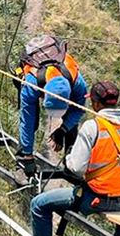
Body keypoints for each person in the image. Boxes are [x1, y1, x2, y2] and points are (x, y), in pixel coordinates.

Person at [23, 79, 120, 236]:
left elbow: (76, 168)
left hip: (94, 199)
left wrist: (71, 157)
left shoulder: (93, 127)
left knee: (39, 204)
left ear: (96, 103)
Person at [15, 34, 87, 178]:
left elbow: (79, 109)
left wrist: (63, 130)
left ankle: (71, 163)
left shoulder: (78, 83)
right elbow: (26, 120)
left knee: (72, 126)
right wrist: (28, 156)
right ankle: (21, 159)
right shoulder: (31, 84)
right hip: (30, 75)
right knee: (32, 121)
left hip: (59, 78)